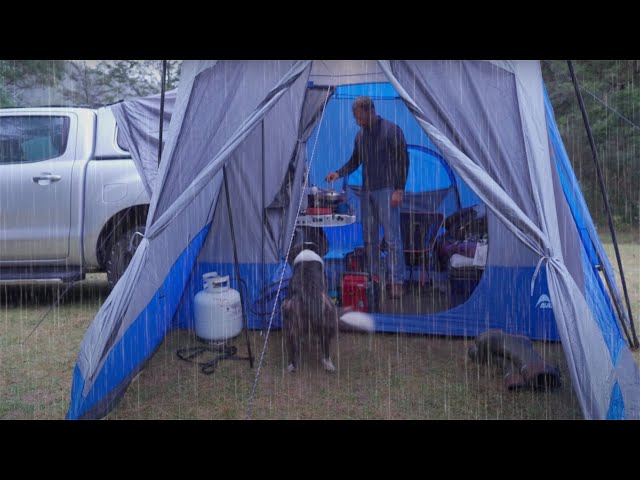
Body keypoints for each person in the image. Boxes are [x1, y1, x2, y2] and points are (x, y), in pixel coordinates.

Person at [325, 96, 409, 299]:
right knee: (369, 239)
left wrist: (399, 189)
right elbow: (355, 161)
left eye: (359, 117)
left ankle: (396, 281)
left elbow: (403, 161)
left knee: (391, 239)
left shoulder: (392, 130)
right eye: (355, 118)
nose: (357, 121)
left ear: (370, 111)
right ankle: (374, 278)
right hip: (367, 192)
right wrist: (339, 173)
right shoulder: (360, 136)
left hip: (387, 190)